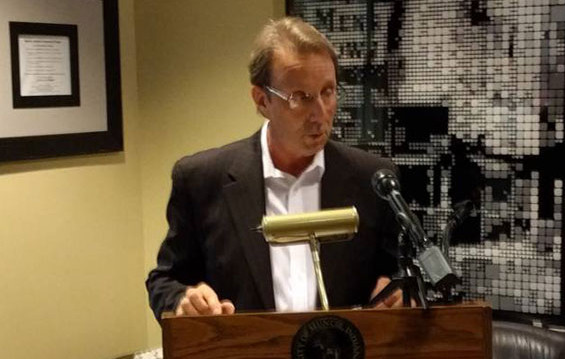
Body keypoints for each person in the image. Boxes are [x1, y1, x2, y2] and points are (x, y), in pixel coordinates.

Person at [146, 17, 404, 323]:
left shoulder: (373, 179)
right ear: (261, 100)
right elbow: (164, 282)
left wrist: (400, 292)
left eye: (328, 92)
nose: (320, 113)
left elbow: (399, 273)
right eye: (301, 98)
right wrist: (184, 300)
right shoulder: (201, 180)